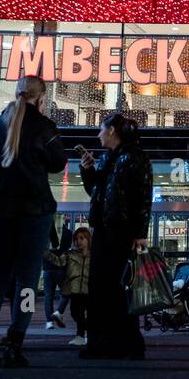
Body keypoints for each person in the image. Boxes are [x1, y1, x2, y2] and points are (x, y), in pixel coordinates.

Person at [0, 75, 68, 367]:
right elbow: (58, 164)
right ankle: (15, 343)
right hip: (34, 211)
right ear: (41, 98)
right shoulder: (44, 127)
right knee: (27, 281)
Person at [80, 112, 153, 359]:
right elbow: (96, 191)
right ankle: (103, 342)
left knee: (118, 288)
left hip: (121, 232)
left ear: (112, 131)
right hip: (103, 229)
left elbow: (143, 197)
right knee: (101, 287)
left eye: (101, 129)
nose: (98, 134)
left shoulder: (135, 157)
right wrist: (88, 171)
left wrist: (140, 234)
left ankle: (125, 342)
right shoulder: (108, 158)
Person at [44, 226, 91, 346]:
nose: (78, 241)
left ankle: (83, 335)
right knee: (75, 312)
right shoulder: (70, 254)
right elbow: (59, 261)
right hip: (74, 289)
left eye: (82, 238)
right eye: (76, 239)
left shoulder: (94, 256)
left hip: (88, 289)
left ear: (88, 240)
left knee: (89, 313)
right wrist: (46, 253)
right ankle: (82, 335)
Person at [43, 219, 71, 330]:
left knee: (48, 297)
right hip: (60, 269)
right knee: (67, 292)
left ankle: (49, 322)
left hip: (47, 269)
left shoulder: (44, 232)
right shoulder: (67, 233)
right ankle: (58, 311)